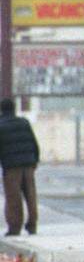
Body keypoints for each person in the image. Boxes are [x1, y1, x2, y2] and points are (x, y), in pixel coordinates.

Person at [0, 98, 39, 237]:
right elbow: (34, 143)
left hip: (11, 167)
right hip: (28, 164)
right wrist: (35, 161)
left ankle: (14, 228)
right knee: (31, 195)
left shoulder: (1, 125)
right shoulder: (24, 122)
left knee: (13, 198)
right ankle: (32, 225)